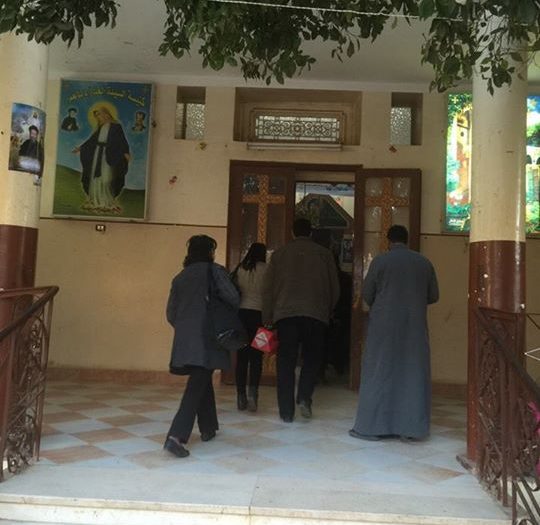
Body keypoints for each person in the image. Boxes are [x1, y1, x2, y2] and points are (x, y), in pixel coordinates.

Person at [349, 225, 439, 442]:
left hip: (383, 327)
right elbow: (433, 296)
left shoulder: (380, 261)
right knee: (412, 373)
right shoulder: (424, 262)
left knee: (379, 372)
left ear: (388, 241)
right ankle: (411, 430)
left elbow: (367, 294)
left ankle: (372, 429)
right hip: (414, 327)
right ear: (407, 240)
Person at [165, 235, 240, 458]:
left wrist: (186, 328)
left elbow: (171, 313)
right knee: (197, 382)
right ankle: (176, 436)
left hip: (185, 339)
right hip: (207, 337)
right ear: (210, 252)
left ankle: (208, 427)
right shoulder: (215, 271)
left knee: (202, 377)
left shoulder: (180, 277)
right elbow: (233, 298)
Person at [262, 218, 340, 422]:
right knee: (312, 358)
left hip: (286, 315)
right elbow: (335, 288)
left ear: (292, 232)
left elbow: (267, 288)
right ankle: (304, 396)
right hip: (315, 315)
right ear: (311, 233)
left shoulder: (279, 255)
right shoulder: (324, 254)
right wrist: (327, 310)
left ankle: (286, 412)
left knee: (285, 361)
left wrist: (267, 316)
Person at [73, 106, 130, 213]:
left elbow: (122, 140)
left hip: (109, 155)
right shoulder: (100, 127)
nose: (98, 118)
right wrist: (80, 148)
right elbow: (91, 141)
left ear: (106, 114)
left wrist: (126, 152)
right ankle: (95, 201)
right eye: (96, 116)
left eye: (99, 115)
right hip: (97, 155)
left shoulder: (116, 127)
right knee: (95, 177)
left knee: (106, 178)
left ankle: (107, 201)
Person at [234, 242, 267, 412]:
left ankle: (240, 396)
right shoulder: (267, 270)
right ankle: (253, 394)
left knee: (241, 357)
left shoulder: (240, 268)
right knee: (257, 357)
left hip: (241, 316)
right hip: (260, 317)